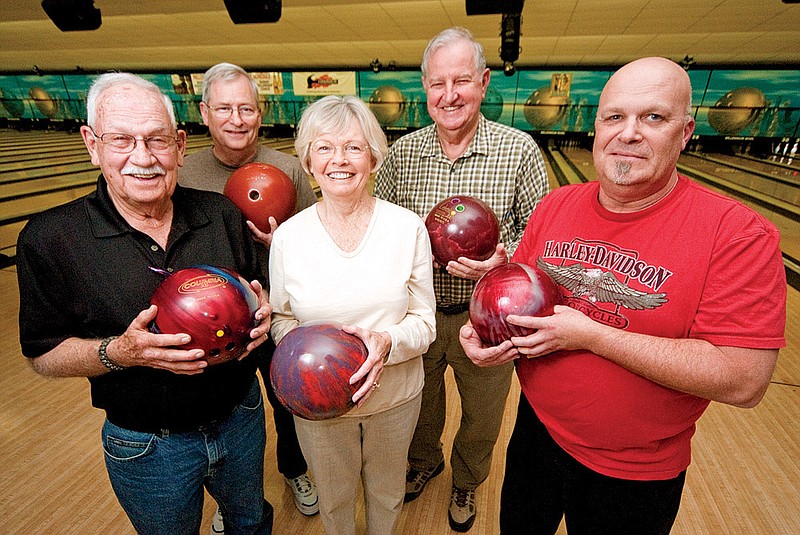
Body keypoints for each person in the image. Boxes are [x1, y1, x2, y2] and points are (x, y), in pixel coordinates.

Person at [459, 57, 787, 534]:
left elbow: (743, 380)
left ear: (686, 131)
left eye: (652, 117)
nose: (628, 133)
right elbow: (516, 295)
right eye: (615, 116)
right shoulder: (557, 205)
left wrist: (591, 336)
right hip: (537, 434)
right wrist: (487, 337)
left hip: (635, 471)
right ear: (596, 126)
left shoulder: (737, 234)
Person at [16, 73, 275, 534]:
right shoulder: (51, 238)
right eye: (121, 139)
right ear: (91, 144)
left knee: (250, 520)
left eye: (156, 139)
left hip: (240, 415)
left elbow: (261, 289)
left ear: (178, 144)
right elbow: (42, 355)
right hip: (147, 443)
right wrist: (120, 352)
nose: (143, 157)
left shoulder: (221, 213)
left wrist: (263, 309)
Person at [373, 26, 549, 532]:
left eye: (462, 81)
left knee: (482, 417)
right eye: (437, 83)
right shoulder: (402, 154)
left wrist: (503, 261)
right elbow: (378, 223)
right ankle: (424, 462)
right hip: (419, 314)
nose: (449, 95)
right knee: (421, 410)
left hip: (493, 320)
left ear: (485, 82)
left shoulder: (519, 151)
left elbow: (542, 239)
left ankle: (467, 482)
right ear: (424, 88)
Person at [269, 95, 437, 535]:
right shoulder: (289, 237)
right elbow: (281, 319)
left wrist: (387, 344)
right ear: (308, 160)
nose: (338, 160)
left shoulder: (407, 228)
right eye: (324, 147)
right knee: (334, 496)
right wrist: (308, 361)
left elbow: (425, 322)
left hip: (395, 396)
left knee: (386, 492)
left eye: (353, 147)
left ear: (373, 157)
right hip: (317, 406)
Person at [179, 63, 320, 528]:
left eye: (246, 108)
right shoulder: (183, 173)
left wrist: (282, 245)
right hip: (214, 321)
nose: (236, 119)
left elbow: (318, 244)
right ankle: (233, 498)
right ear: (205, 112)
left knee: (287, 400)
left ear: (260, 114)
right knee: (223, 412)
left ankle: (296, 470)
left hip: (278, 313)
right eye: (224, 108)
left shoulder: (289, 170)